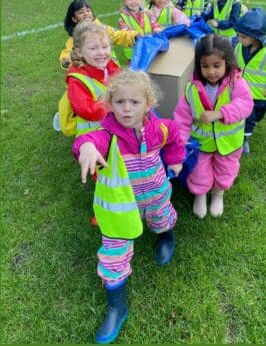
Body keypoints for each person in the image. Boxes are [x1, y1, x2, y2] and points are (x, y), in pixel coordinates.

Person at [73, 70, 185, 343]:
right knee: (114, 252)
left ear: (149, 104)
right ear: (110, 104)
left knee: (162, 218)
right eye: (120, 102)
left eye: (134, 102)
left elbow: (175, 138)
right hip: (122, 209)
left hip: (157, 194)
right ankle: (117, 306)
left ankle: (165, 237)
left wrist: (175, 159)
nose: (126, 108)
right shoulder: (107, 136)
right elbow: (89, 141)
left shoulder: (159, 128)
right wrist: (85, 148)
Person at [172, 35, 252, 218]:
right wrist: (180, 144)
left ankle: (218, 194)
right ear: (198, 65)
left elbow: (246, 104)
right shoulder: (192, 89)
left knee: (226, 169)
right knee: (199, 171)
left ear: (228, 62)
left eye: (217, 66)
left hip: (228, 145)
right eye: (205, 66)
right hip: (201, 144)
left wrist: (220, 113)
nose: (211, 72)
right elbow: (182, 118)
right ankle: (200, 194)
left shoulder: (236, 83)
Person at [232, 7, 266, 154]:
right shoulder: (237, 47)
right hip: (241, 94)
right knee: (247, 118)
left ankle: (247, 130)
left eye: (243, 37)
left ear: (256, 36)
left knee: (257, 117)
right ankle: (243, 140)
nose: (239, 39)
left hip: (260, 95)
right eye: (238, 35)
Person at [58, 0, 137, 69]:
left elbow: (119, 35)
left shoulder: (103, 30)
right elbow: (68, 53)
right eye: (81, 12)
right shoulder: (74, 39)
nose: (86, 14)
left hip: (112, 71)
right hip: (93, 76)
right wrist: (66, 60)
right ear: (74, 19)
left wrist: (134, 36)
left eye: (88, 11)